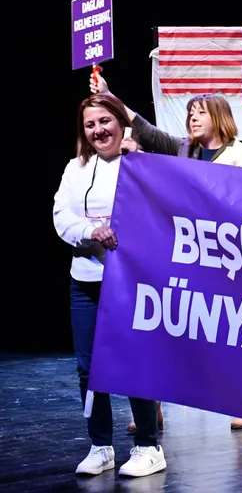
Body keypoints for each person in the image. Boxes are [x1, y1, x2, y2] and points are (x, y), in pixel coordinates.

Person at [91, 75, 242, 430]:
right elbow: (145, 129)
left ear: (219, 116)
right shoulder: (186, 149)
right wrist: (109, 96)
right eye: (190, 113)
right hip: (186, 254)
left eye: (200, 112)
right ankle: (151, 406)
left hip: (225, 259)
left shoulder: (241, 157)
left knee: (230, 334)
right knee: (165, 331)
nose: (193, 118)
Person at [52, 93, 166, 478]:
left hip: (131, 279)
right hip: (85, 280)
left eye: (105, 121)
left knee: (135, 362)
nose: (98, 130)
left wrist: (139, 162)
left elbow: (161, 212)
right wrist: (91, 231)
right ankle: (100, 446)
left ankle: (148, 446)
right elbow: (61, 216)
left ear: (121, 122)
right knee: (88, 369)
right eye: (90, 124)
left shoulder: (141, 164)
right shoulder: (75, 168)